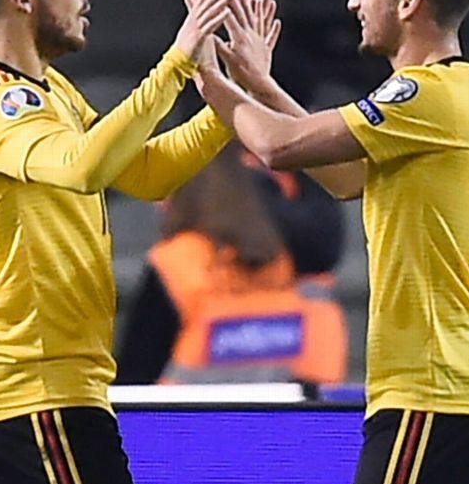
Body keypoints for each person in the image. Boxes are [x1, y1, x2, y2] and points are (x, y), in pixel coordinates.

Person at [198, 0, 469, 484]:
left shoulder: (422, 95)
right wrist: (259, 85)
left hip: (433, 392)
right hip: (459, 392)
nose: (353, 1)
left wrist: (202, 70)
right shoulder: (458, 92)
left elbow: (276, 146)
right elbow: (345, 178)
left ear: (409, 1)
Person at [0, 0, 237, 484]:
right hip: (32, 394)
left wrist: (229, 105)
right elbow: (83, 166)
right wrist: (175, 64)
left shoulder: (50, 91)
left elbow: (144, 173)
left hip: (50, 394)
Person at [114, 146, 347, 386]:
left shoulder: (176, 262)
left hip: (187, 409)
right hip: (286, 408)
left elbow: (135, 377)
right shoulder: (288, 265)